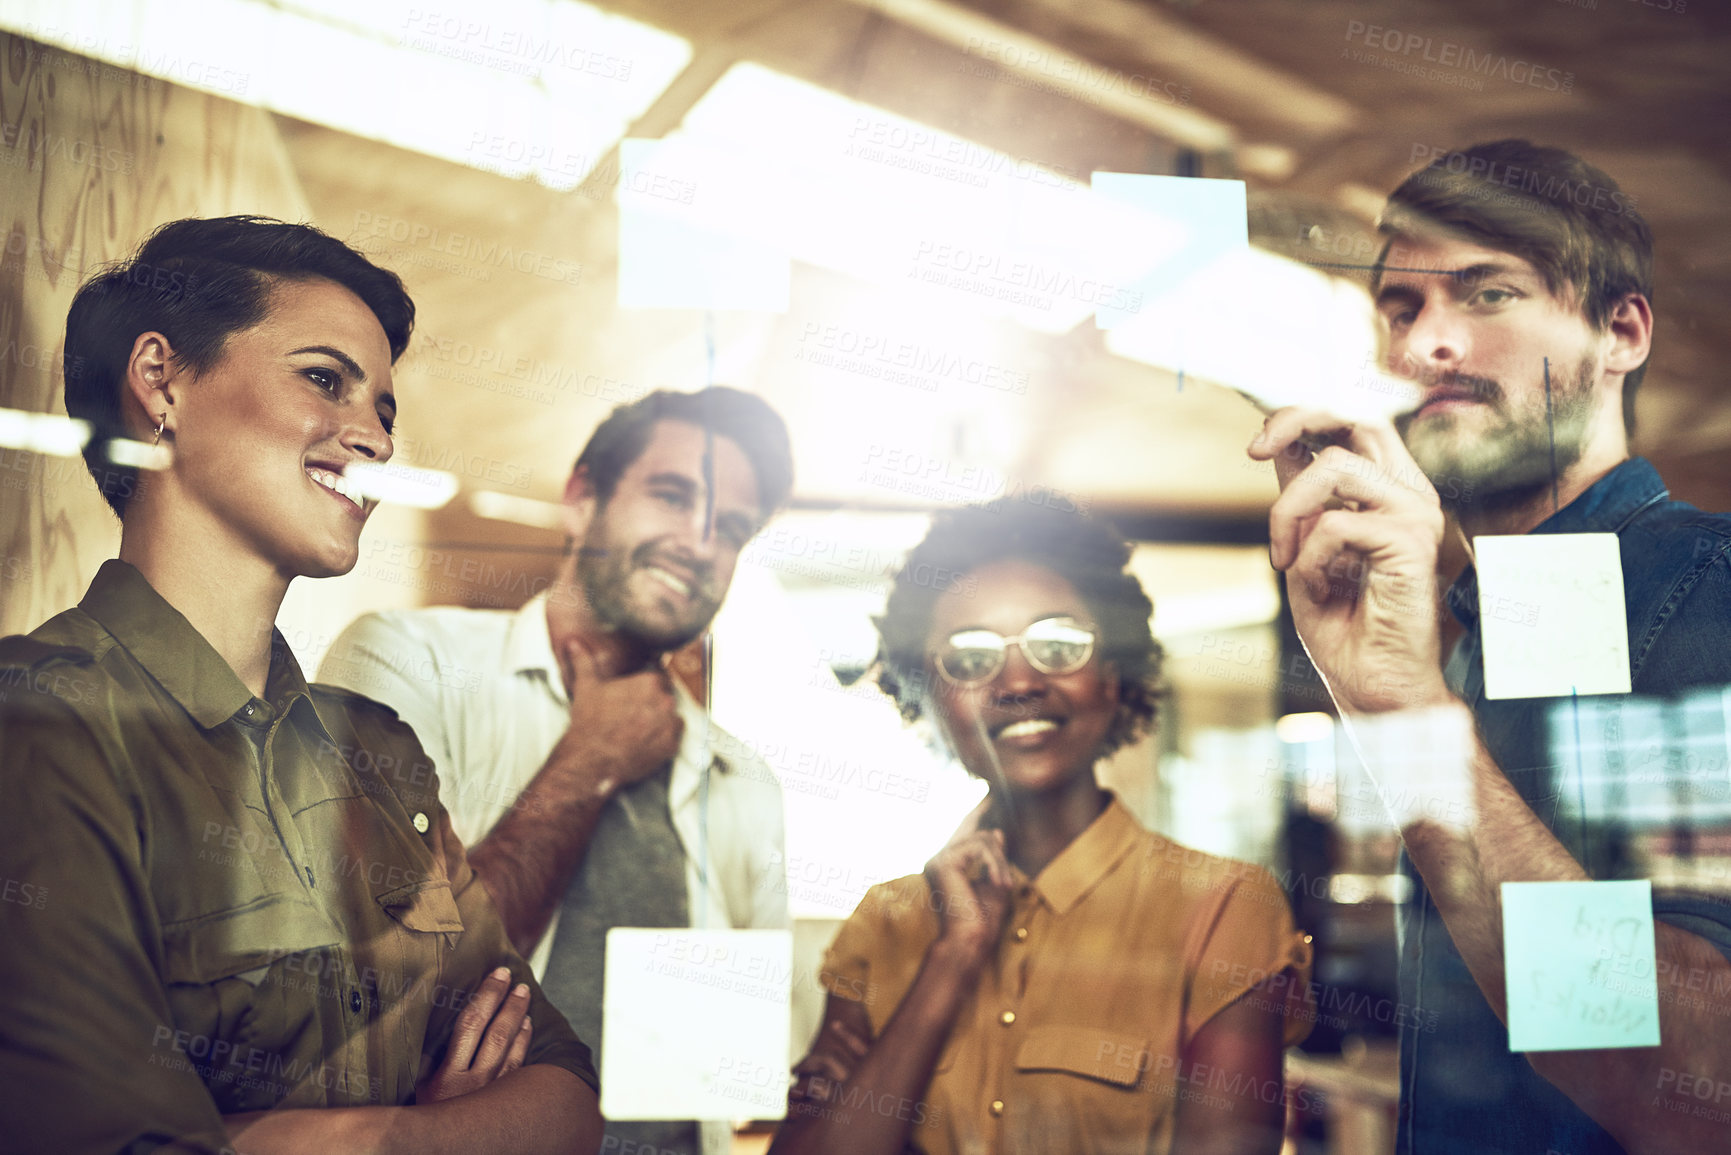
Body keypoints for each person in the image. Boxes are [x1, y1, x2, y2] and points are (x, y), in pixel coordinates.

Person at [0, 216, 602, 1154]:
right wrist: (429, 1127)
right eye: (325, 379)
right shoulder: (39, 724)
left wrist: (315, 1136)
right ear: (161, 382)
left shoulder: (380, 751)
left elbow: (565, 1095)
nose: (374, 439)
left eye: (385, 411)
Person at [1248, 140, 1731, 1154]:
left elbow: (1700, 1083)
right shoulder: (1500, 622)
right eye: (1402, 309)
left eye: (1488, 293)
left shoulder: (1705, 586)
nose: (1429, 345)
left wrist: (1407, 715)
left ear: (1621, 330)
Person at [319, 386, 794, 1155]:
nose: (698, 542)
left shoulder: (742, 781)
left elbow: (727, 1072)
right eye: (672, 496)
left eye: (731, 528)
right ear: (580, 497)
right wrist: (591, 761)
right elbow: (386, 993)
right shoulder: (408, 664)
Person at [769, 505, 1314, 1155]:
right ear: (933, 697)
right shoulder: (884, 921)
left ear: (1112, 675)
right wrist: (952, 957)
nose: (1019, 680)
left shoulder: (1224, 906)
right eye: (969, 657)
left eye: (1057, 644)